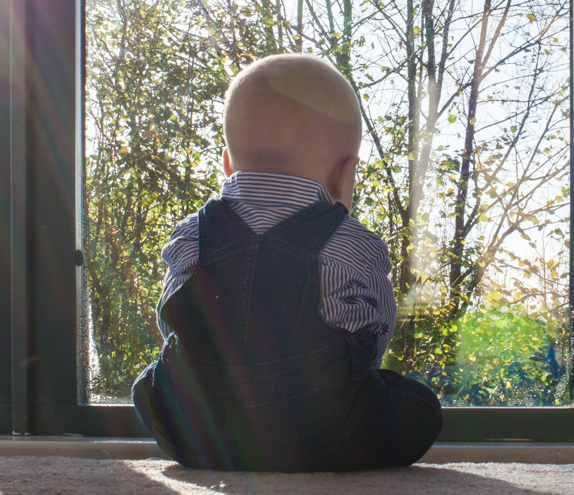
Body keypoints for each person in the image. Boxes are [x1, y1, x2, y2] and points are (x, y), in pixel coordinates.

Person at [131, 53, 443, 471]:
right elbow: (374, 334)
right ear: (344, 175)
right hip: (322, 435)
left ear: (226, 163)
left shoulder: (193, 233)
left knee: (148, 386)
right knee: (419, 409)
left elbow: (171, 323)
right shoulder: (353, 243)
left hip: (199, 433)